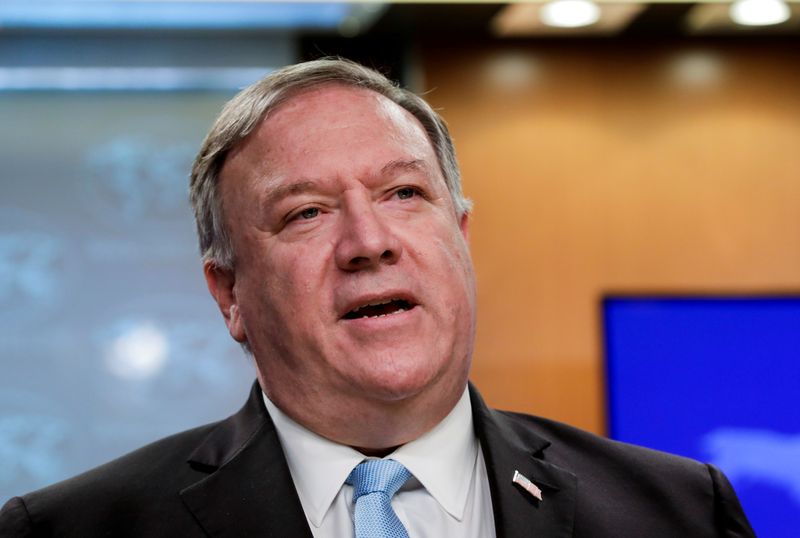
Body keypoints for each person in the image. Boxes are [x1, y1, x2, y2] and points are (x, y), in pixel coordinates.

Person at [0, 58, 754, 537]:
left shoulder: (679, 513)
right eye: (306, 213)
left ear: (461, 237)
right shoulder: (72, 530)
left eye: (402, 193)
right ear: (228, 293)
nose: (369, 241)